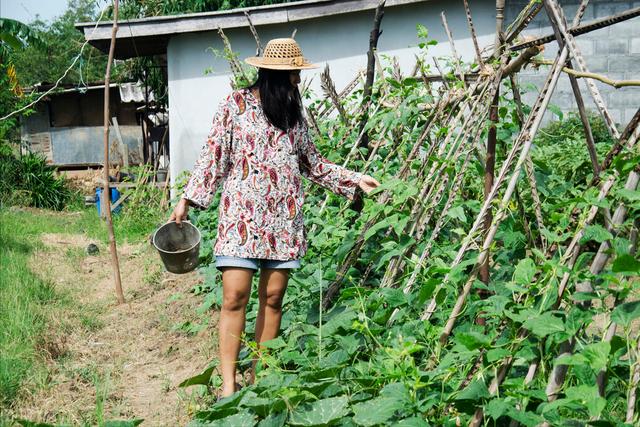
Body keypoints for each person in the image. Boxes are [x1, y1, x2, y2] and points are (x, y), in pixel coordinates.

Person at [169, 38, 380, 398]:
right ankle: (228, 382)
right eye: (294, 73)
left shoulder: (293, 116)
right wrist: (187, 199)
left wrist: (354, 178)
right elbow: (213, 153)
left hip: (283, 220)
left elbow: (313, 164)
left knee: (273, 298)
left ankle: (261, 378)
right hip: (241, 219)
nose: (298, 80)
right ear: (275, 75)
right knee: (235, 296)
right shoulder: (235, 105)